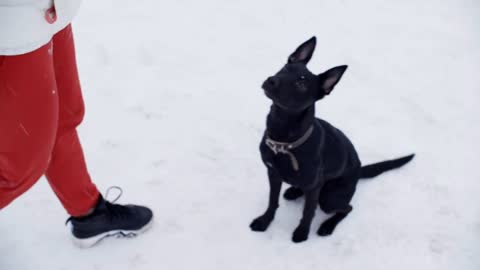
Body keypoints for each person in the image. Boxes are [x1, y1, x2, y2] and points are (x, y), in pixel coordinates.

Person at [0, 0, 153, 248]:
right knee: (19, 167)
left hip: (49, 11)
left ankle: (88, 212)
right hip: (12, 23)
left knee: (64, 115)